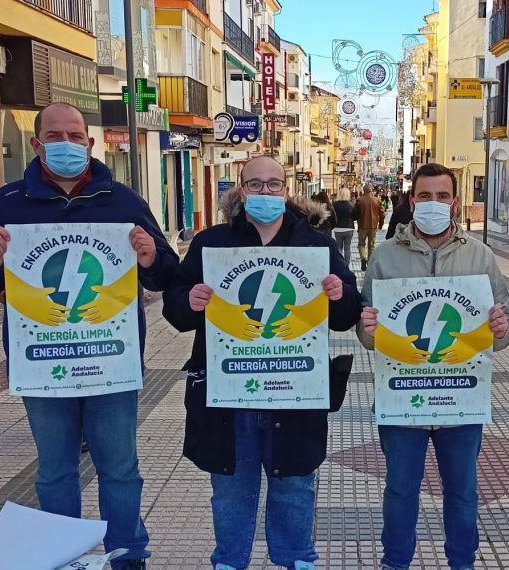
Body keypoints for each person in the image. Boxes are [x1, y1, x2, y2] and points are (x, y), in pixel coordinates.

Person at [0, 102, 178, 570]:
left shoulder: (123, 201)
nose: (66, 144)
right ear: (36, 145)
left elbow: (165, 274)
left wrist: (148, 258)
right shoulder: (7, 203)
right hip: (43, 363)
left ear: (90, 143)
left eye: (75, 136)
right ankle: (63, 557)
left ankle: (128, 556)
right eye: (54, 136)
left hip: (111, 362)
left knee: (120, 469)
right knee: (55, 472)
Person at [161, 155, 362, 570]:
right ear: (241, 189)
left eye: (274, 185)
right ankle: (230, 562)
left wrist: (339, 294)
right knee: (231, 488)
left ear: (287, 191)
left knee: (295, 485)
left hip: (295, 392)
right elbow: (175, 311)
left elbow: (346, 316)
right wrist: (189, 300)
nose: (265, 193)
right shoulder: (211, 243)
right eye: (255, 185)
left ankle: (295, 560)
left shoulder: (315, 245)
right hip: (228, 393)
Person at [358, 163, 509, 570]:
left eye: (442, 196)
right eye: (425, 196)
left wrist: (501, 326)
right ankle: (395, 562)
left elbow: (502, 335)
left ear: (455, 202)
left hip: (461, 401)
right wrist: (366, 327)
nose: (433, 204)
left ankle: (462, 563)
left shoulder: (481, 256)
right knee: (400, 490)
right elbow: (367, 333)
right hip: (402, 400)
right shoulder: (385, 256)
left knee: (462, 492)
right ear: (412, 202)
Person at [354, 185, 384, 270]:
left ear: (364, 190)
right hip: (373, 226)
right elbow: (382, 213)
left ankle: (363, 258)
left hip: (362, 225)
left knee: (361, 244)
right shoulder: (377, 200)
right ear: (371, 191)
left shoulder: (359, 200)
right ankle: (370, 263)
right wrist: (380, 224)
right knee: (371, 245)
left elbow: (355, 213)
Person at [332, 188, 356, 263]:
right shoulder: (351, 205)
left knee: (339, 247)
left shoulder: (334, 205)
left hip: (338, 228)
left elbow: (332, 216)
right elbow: (355, 216)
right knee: (347, 248)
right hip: (349, 228)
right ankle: (346, 265)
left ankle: (339, 264)